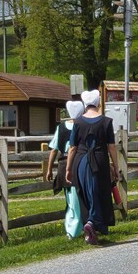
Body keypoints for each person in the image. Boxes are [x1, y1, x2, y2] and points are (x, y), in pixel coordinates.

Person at [64, 90, 120, 245]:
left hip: (80, 161)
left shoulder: (78, 122)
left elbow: (72, 148)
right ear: (98, 103)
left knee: (85, 193)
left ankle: (90, 226)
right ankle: (92, 222)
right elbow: (112, 147)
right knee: (98, 191)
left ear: (84, 104)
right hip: (99, 159)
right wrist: (116, 167)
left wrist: (68, 169)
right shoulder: (106, 122)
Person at [45, 100, 86, 238]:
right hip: (79, 163)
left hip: (64, 164)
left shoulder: (61, 128)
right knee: (78, 198)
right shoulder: (83, 126)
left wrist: (49, 168)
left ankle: (73, 229)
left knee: (71, 200)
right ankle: (76, 228)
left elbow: (54, 150)